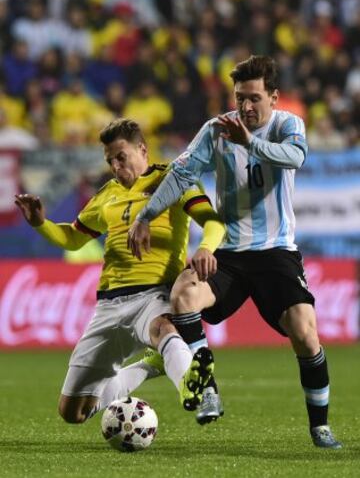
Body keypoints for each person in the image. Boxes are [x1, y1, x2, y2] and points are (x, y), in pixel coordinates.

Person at [127, 55, 342, 449]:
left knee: (306, 335)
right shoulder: (216, 130)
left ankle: (320, 427)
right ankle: (207, 388)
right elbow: (182, 174)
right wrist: (145, 215)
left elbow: (296, 158)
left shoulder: (288, 125)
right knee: (182, 295)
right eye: (240, 97)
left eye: (255, 98)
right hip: (228, 253)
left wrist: (252, 144)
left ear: (274, 97)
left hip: (276, 252)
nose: (246, 107)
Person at [15, 117, 226, 425]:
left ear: (143, 150)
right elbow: (73, 238)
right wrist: (40, 224)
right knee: (73, 412)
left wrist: (206, 248)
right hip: (109, 304)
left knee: (164, 328)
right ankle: (150, 365)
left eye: (121, 157)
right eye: (110, 160)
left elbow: (214, 222)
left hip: (154, 293)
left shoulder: (175, 179)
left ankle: (189, 387)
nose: (115, 165)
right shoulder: (105, 195)